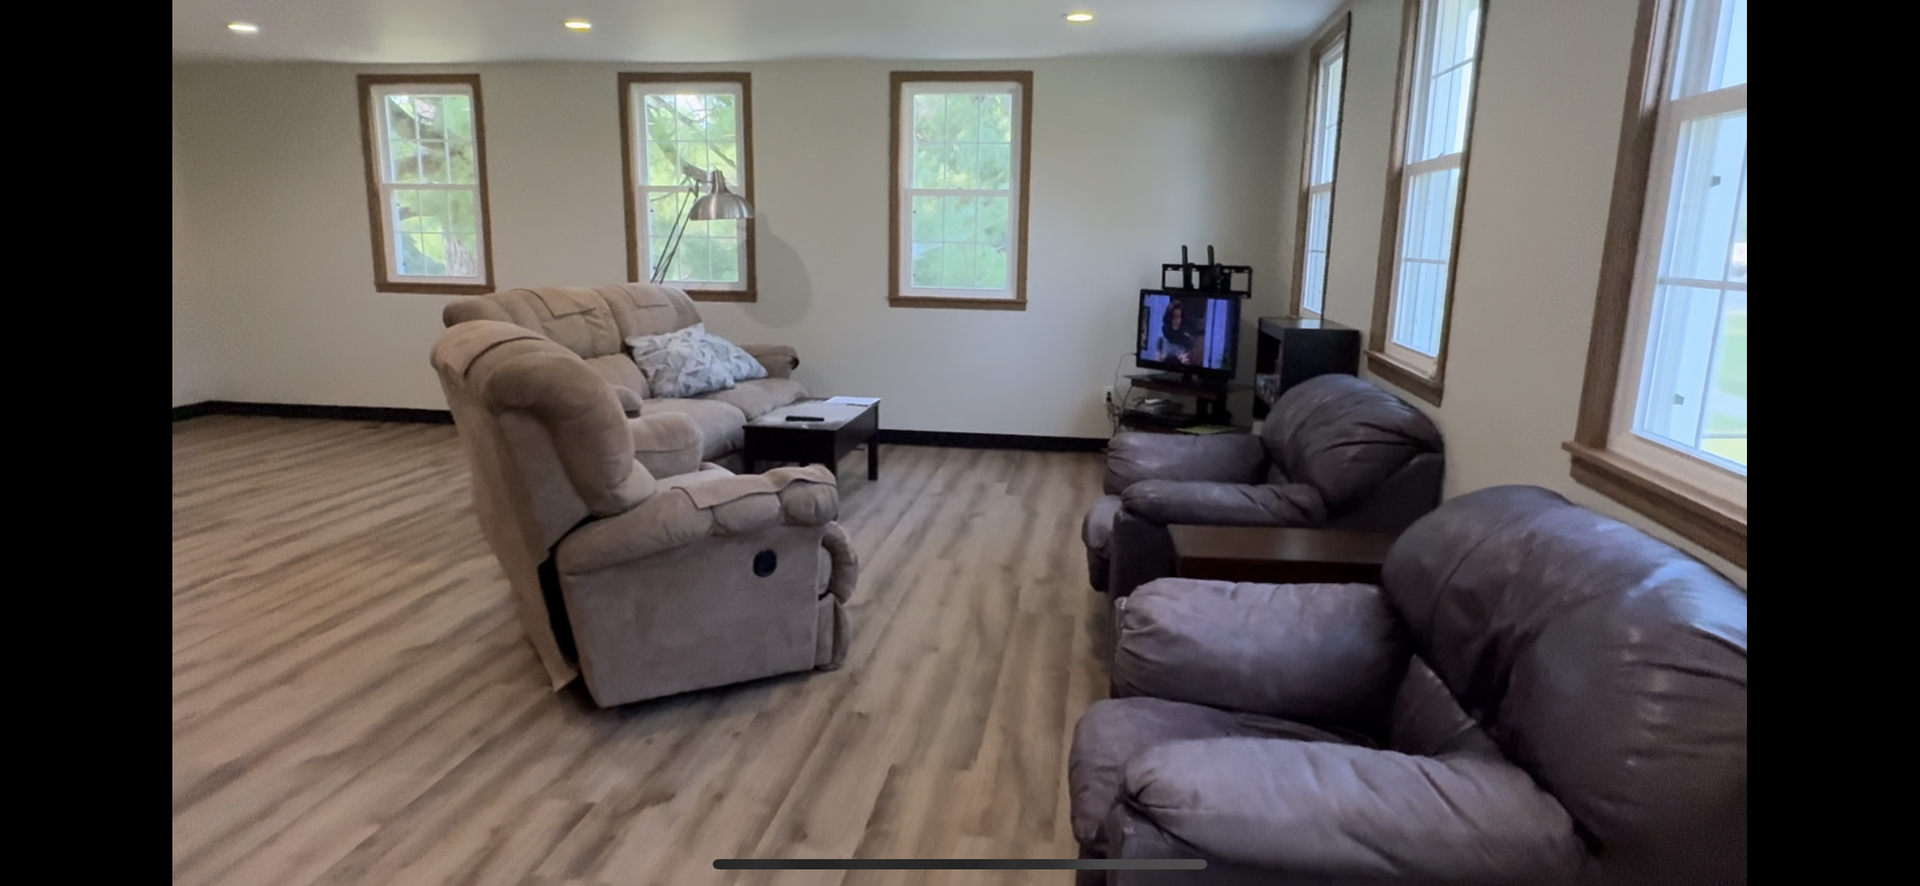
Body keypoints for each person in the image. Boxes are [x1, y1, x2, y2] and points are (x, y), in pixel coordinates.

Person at [1158, 300, 1206, 366]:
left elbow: (1192, 363)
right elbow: (1158, 360)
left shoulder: (1188, 340)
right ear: (1169, 318)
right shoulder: (1162, 338)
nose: (1177, 321)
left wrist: (1184, 362)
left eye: (1179, 317)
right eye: (1174, 317)